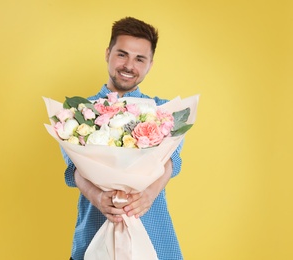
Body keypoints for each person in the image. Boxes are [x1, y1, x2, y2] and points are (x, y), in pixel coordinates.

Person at [61, 16, 184, 260]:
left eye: (140, 59)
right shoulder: (79, 113)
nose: (129, 65)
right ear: (108, 53)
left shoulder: (163, 111)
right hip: (96, 226)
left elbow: (171, 161)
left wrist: (148, 195)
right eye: (122, 54)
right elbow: (74, 169)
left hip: (152, 228)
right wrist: (98, 198)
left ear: (150, 64)